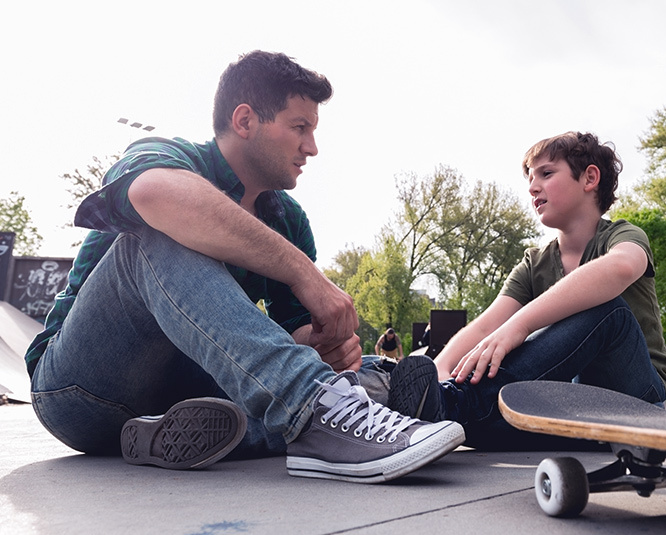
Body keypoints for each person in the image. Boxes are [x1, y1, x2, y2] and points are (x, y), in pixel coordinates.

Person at [24, 51, 464, 482]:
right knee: (156, 230)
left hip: (186, 391)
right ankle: (319, 412)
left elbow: (291, 336)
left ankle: (190, 436)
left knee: (362, 369)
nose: (311, 147)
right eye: (299, 128)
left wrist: (328, 345)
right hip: (80, 390)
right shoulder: (167, 156)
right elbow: (153, 193)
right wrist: (304, 272)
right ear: (245, 121)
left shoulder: (288, 219)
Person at [388, 132, 666, 449]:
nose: (532, 186)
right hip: (577, 411)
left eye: (546, 173)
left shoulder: (622, 235)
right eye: (529, 177)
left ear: (589, 177)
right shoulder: (534, 262)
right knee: (474, 425)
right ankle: (447, 407)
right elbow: (486, 325)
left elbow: (621, 267)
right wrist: (438, 373)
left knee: (607, 309)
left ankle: (461, 403)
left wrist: (520, 325)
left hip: (639, 401)